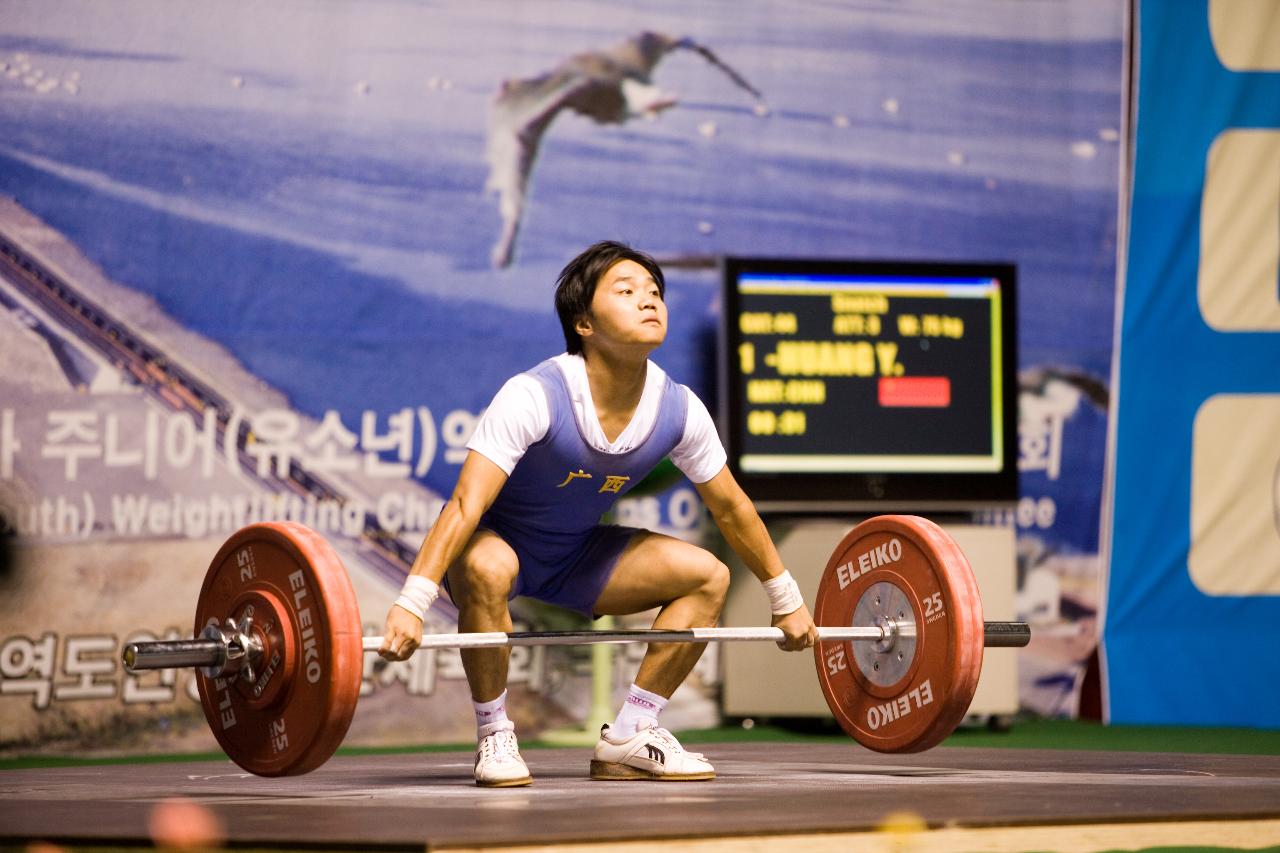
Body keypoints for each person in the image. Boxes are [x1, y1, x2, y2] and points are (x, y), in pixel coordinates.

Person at [379, 240, 817, 786]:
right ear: (584, 322)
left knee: (708, 576)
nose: (649, 301)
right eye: (627, 291)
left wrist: (786, 598)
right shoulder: (535, 395)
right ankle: (494, 735)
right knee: (489, 568)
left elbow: (731, 507)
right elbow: (468, 502)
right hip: (498, 543)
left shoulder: (679, 409)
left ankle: (631, 733)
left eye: (655, 292)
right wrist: (411, 602)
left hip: (577, 554)